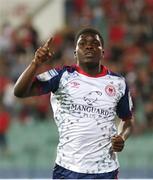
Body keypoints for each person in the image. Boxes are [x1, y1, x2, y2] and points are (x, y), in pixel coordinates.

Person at [14, 27, 134, 179]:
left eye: (95, 43)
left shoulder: (118, 83)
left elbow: (127, 120)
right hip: (67, 169)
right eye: (82, 43)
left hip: (106, 171)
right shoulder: (62, 76)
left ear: (103, 52)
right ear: (75, 52)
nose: (88, 46)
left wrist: (122, 136)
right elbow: (20, 91)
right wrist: (35, 63)